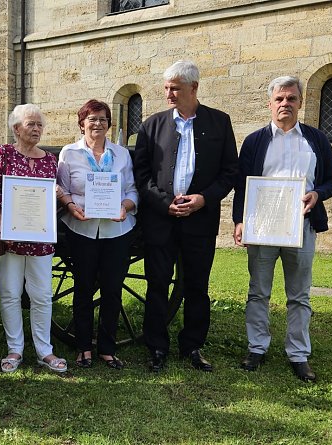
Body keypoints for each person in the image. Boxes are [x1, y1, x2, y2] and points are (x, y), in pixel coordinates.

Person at [232, 76, 332, 382]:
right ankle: (257, 348)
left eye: (291, 99)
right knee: (258, 291)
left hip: (301, 227)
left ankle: (298, 354)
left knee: (299, 295)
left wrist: (318, 193)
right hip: (263, 228)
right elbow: (242, 186)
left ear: (300, 103)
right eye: (279, 99)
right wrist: (239, 221)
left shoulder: (315, 139)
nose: (285, 104)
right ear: (270, 103)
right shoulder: (255, 140)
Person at [134, 60, 239, 372]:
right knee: (157, 285)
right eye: (166, 87)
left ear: (194, 88)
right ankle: (156, 347)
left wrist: (203, 199)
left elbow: (230, 171)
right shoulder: (152, 125)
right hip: (161, 221)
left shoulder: (219, 122)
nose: (169, 93)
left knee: (196, 287)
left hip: (200, 221)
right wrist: (164, 203)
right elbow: (141, 175)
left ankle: (192, 346)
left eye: (175, 88)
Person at [0, 104, 67, 373]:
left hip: (40, 238)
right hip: (9, 237)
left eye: (40, 125)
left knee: (42, 295)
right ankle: (15, 350)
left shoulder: (50, 161)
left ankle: (45, 351)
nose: (36, 129)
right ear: (16, 128)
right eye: (31, 124)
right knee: (9, 293)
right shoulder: (2, 154)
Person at [56, 99, 138, 370]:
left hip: (116, 229)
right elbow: (62, 189)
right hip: (82, 228)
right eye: (92, 119)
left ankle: (107, 348)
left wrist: (125, 208)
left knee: (113, 290)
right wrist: (70, 206)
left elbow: (131, 191)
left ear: (109, 124)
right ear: (82, 124)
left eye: (103, 119)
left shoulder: (121, 154)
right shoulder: (69, 153)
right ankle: (83, 348)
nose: (98, 124)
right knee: (83, 289)